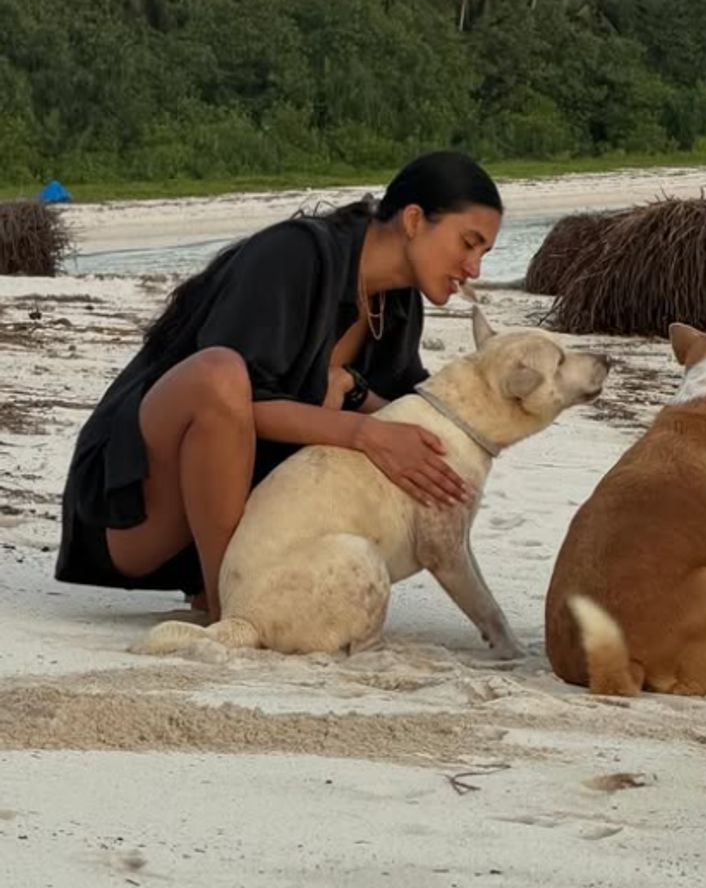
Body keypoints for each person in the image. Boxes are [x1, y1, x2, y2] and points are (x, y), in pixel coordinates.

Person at [55, 151, 504, 620]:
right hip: (136, 509)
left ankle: (239, 586)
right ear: (413, 220)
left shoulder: (396, 305)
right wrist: (359, 431)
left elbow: (404, 412)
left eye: (484, 254)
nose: (474, 269)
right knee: (221, 375)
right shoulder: (295, 253)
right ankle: (232, 607)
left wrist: (353, 391)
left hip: (241, 522)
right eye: (468, 243)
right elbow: (230, 402)